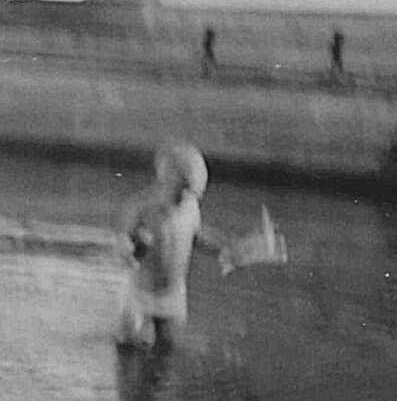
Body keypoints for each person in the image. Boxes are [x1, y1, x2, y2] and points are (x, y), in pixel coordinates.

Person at [115, 140, 287, 355]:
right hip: (140, 293)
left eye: (192, 194)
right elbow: (122, 240)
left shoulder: (190, 208)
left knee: (167, 350)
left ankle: (157, 381)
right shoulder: (142, 208)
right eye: (181, 191)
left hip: (172, 295)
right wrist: (128, 249)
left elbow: (197, 235)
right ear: (164, 179)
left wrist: (230, 247)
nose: (187, 199)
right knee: (127, 349)